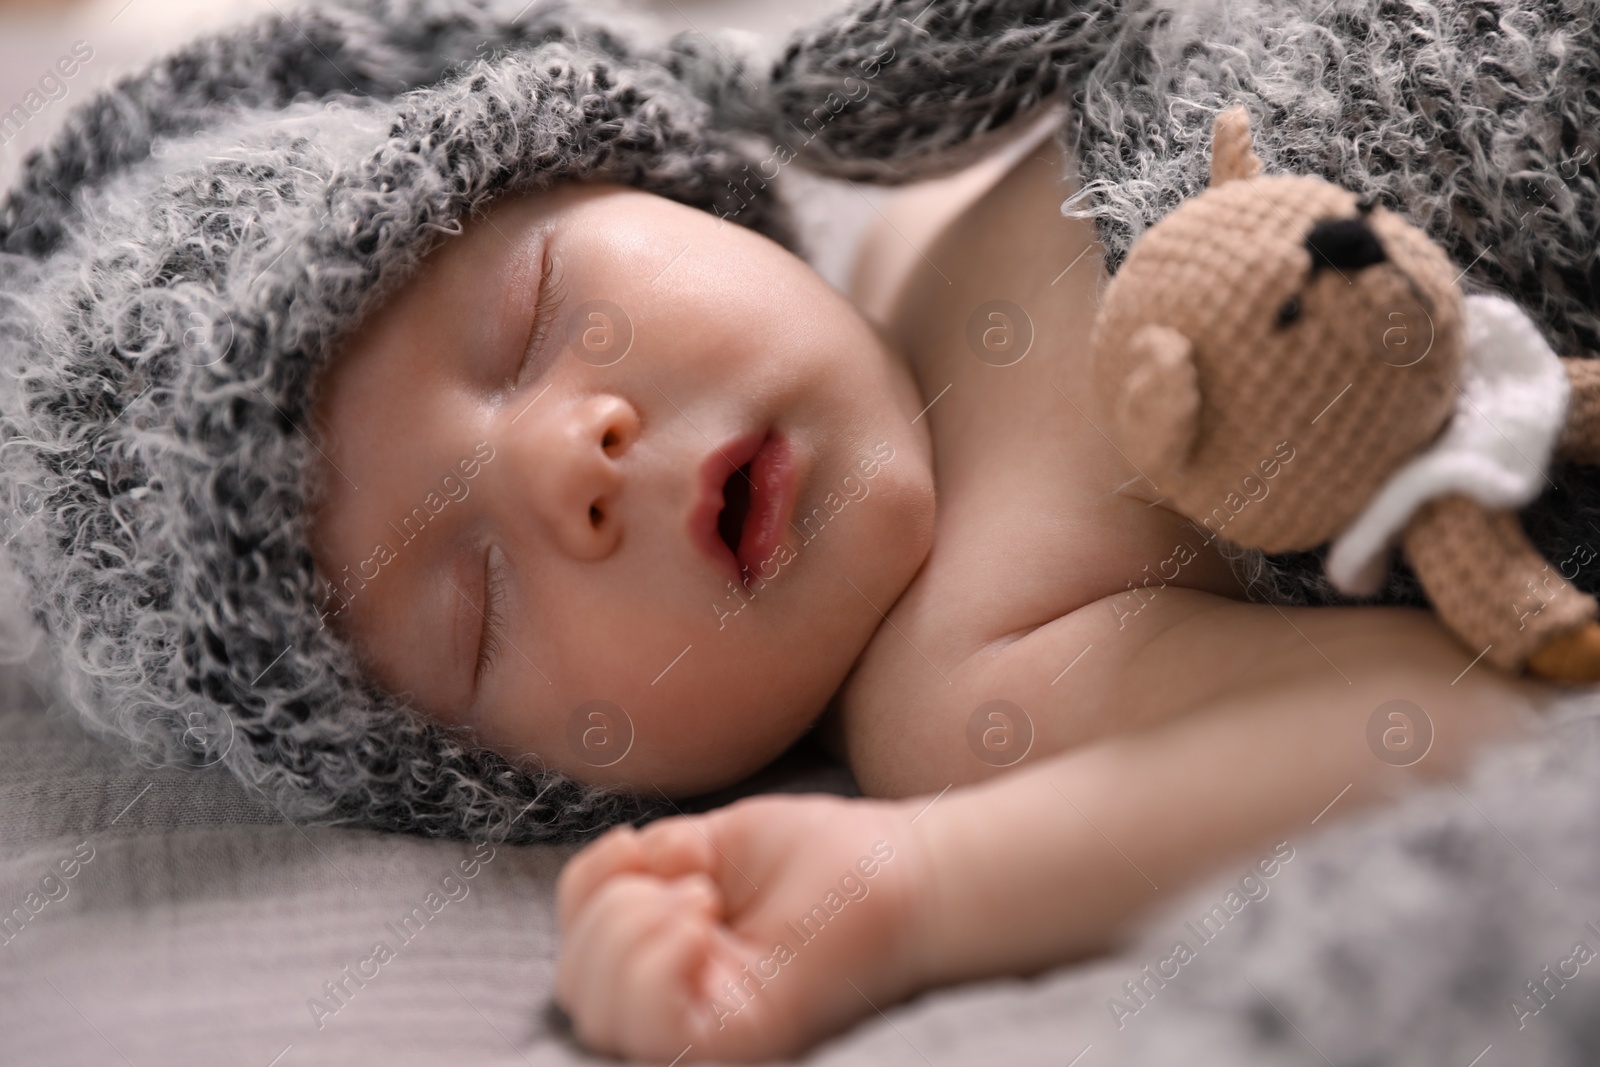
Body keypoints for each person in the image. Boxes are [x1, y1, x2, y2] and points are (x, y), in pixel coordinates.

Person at [2, 0, 1594, 1061]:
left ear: (661, 183)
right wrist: (917, 888)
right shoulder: (969, 683)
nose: (576, 458)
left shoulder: (918, 197)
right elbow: (1474, 720)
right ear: (549, 786)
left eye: (532, 314)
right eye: (472, 600)